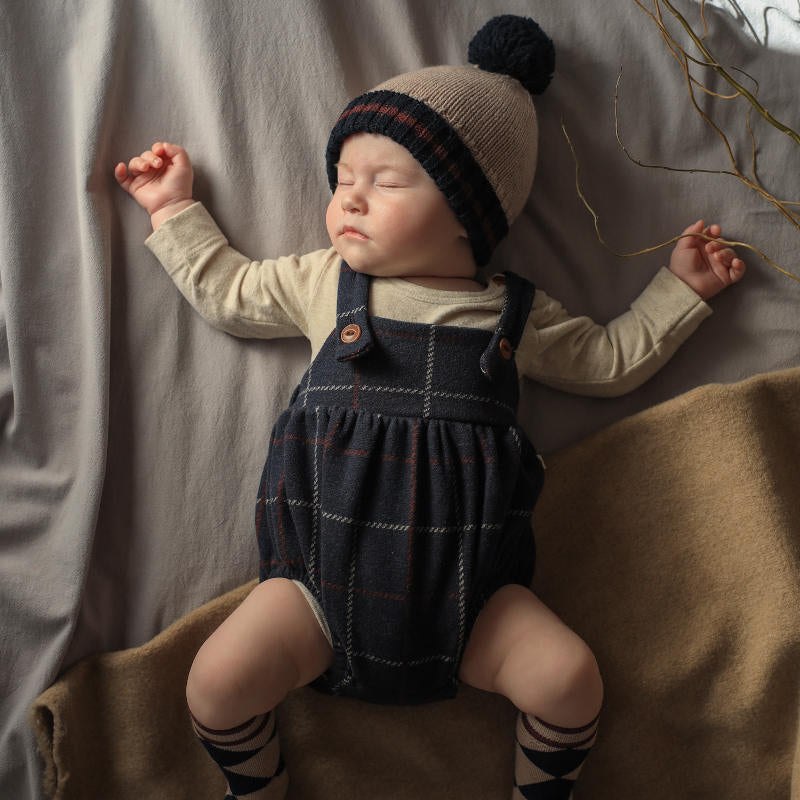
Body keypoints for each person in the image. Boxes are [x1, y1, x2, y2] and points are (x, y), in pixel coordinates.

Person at [114, 15, 744, 800]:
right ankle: (259, 789)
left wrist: (680, 290)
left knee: (570, 680)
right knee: (214, 685)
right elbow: (229, 292)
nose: (350, 198)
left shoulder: (514, 312)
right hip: (312, 593)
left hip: (474, 603)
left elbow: (608, 361)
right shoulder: (326, 283)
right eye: (342, 178)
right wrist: (172, 208)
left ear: (466, 212)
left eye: (385, 182)